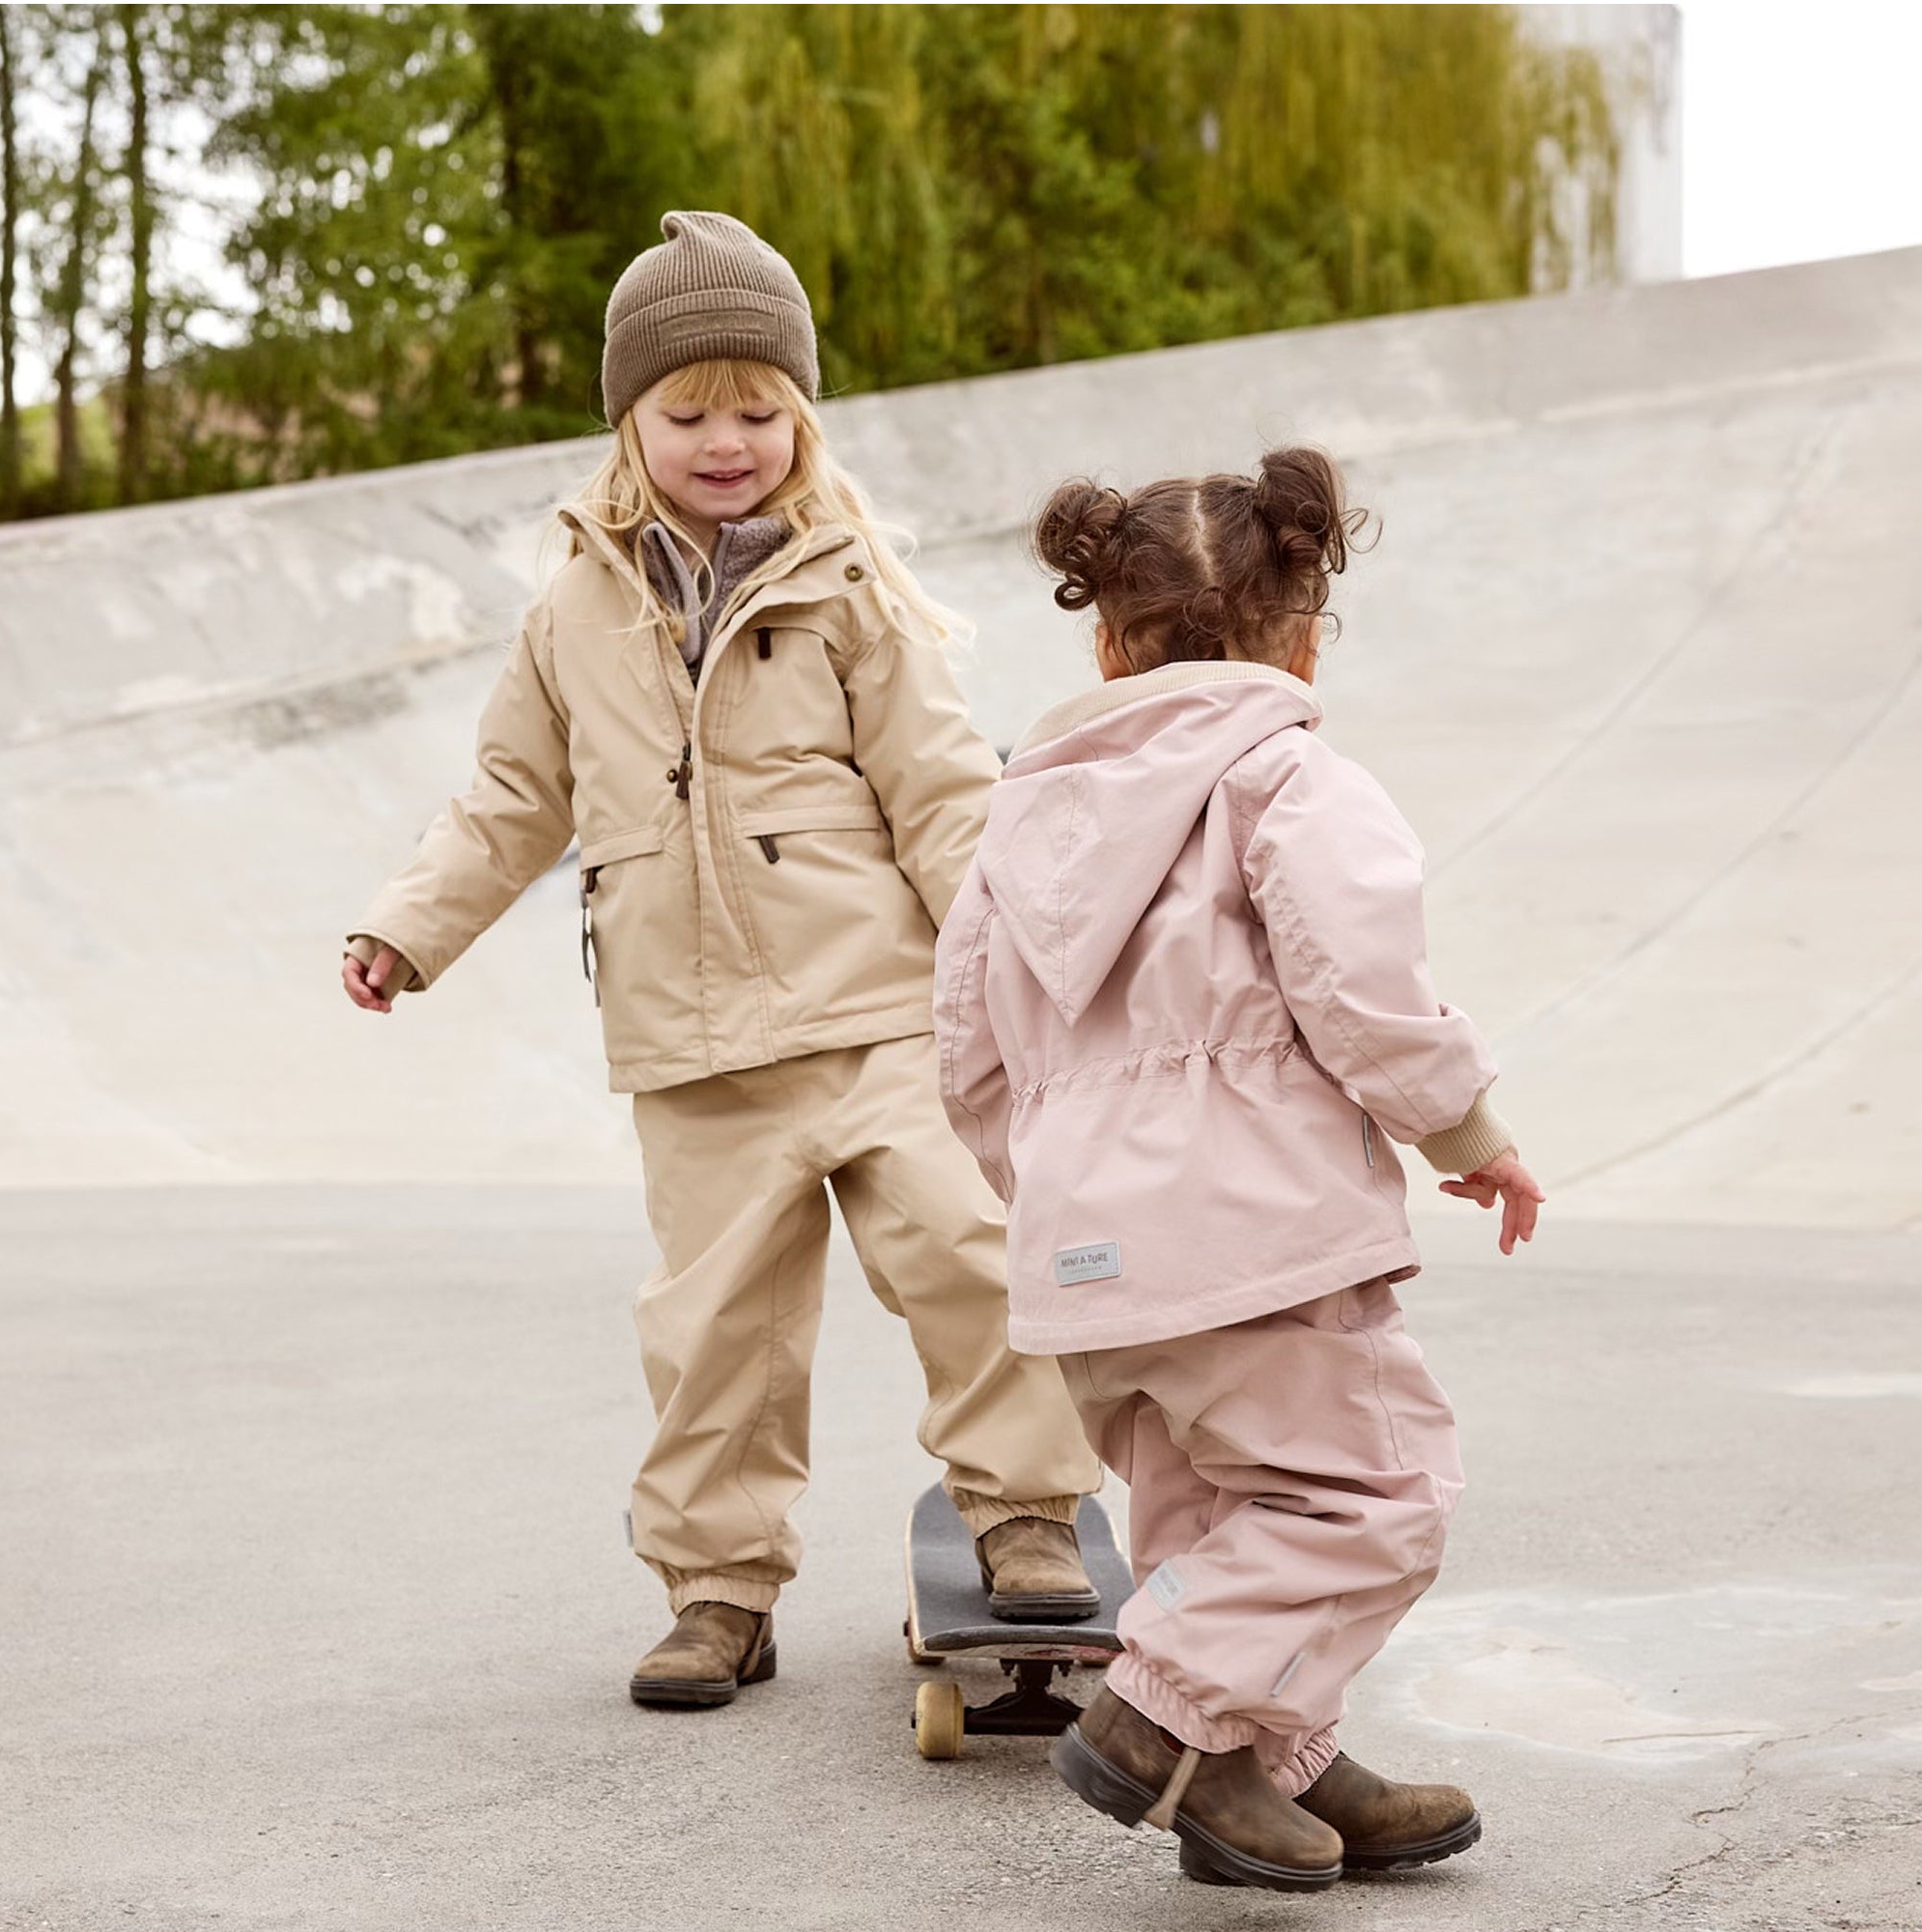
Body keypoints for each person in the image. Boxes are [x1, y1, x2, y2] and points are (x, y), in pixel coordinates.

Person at [342, 211, 1100, 1710]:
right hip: (691, 1048)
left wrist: (1012, 962)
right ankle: (718, 1590)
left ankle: (1022, 1514)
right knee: (715, 1340)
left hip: (883, 1017)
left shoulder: (846, 585)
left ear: (802, 418)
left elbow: (946, 791)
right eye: (689, 413)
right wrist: (406, 925)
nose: (727, 440)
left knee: (969, 1252)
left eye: (760, 411)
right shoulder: (570, 608)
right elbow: (510, 797)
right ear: (629, 416)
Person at [934, 448, 1544, 1889]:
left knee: (1212, 1512)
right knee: (1374, 1497)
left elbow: (963, 1056)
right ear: (1305, 630)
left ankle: (1267, 1769)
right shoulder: (1287, 777)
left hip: (1089, 1267)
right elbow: (1363, 987)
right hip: (1262, 1244)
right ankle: (1159, 1720)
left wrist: (1068, 1201)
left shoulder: (1014, 818)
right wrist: (1468, 1133)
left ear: (1103, 639)